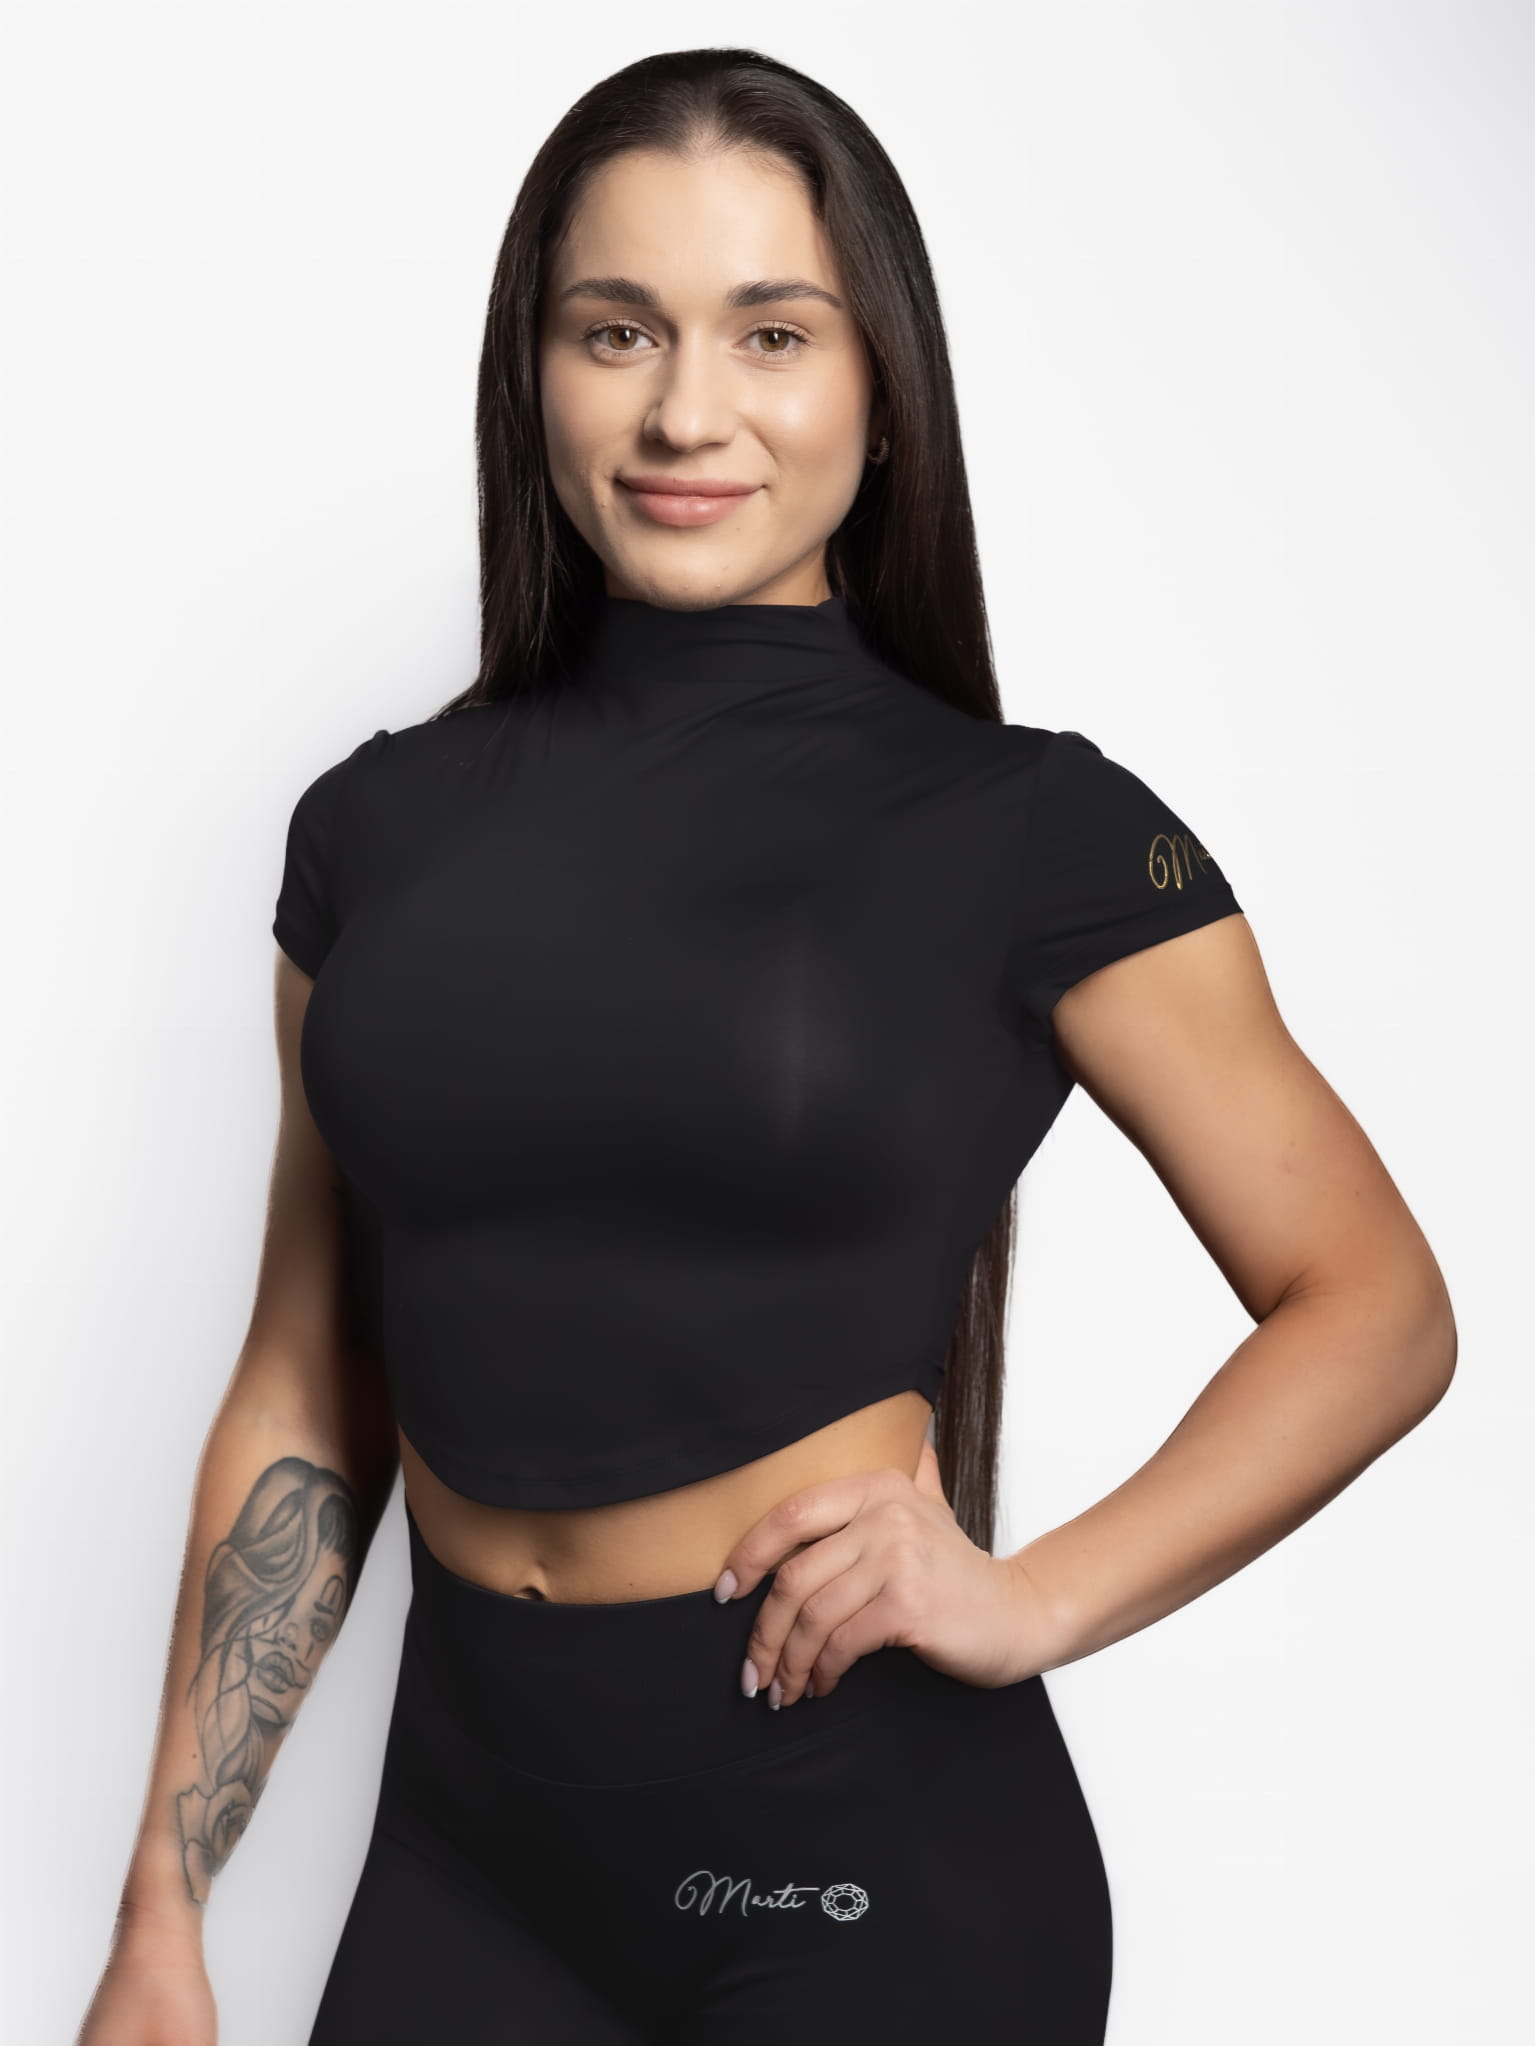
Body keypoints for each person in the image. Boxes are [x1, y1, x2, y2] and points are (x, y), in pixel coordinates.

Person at [77, 45, 1457, 2046]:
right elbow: (311, 1372)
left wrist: (1034, 1595)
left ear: (882, 390)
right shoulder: (370, 832)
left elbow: (1377, 1306)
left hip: (869, 1869)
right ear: (533, 373)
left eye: (773, 333)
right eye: (615, 330)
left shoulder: (1035, 832)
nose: (685, 410)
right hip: (471, 1860)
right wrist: (162, 1905)